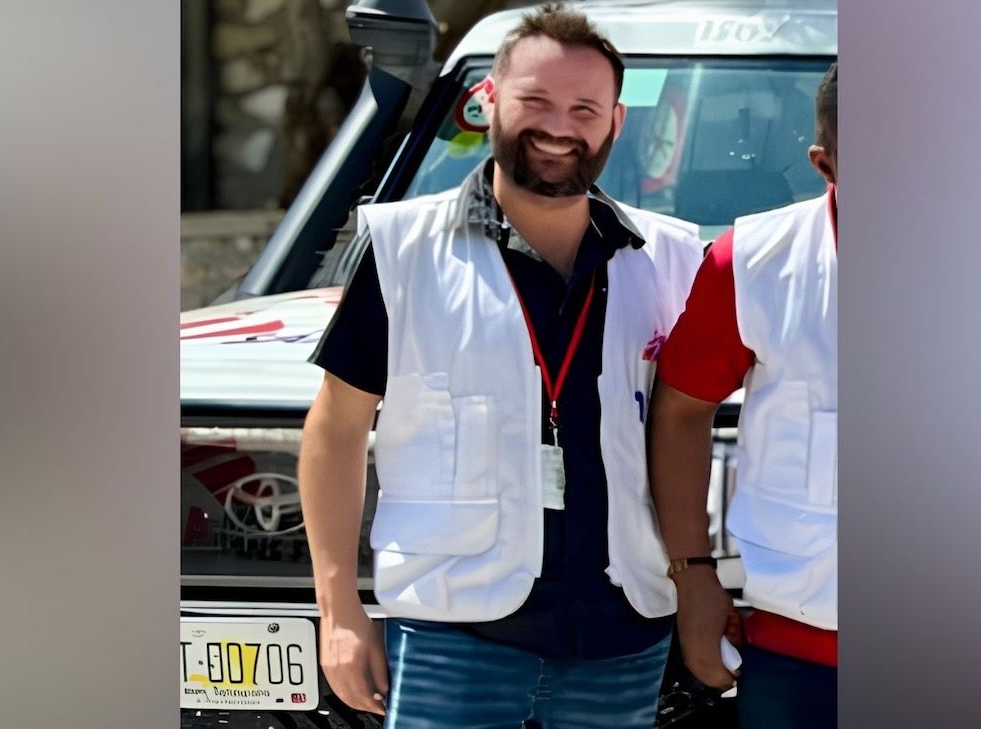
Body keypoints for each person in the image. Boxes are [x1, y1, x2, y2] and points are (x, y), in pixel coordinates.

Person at [297, 5, 704, 727]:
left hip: (623, 636)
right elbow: (334, 431)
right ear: (488, 101)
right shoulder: (405, 249)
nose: (559, 126)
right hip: (456, 634)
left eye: (584, 108)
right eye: (535, 101)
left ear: (615, 123)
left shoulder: (671, 261)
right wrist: (338, 608)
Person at [648, 63, 838, 728]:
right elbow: (680, 409)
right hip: (798, 655)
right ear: (825, 162)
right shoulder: (752, 261)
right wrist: (692, 574)